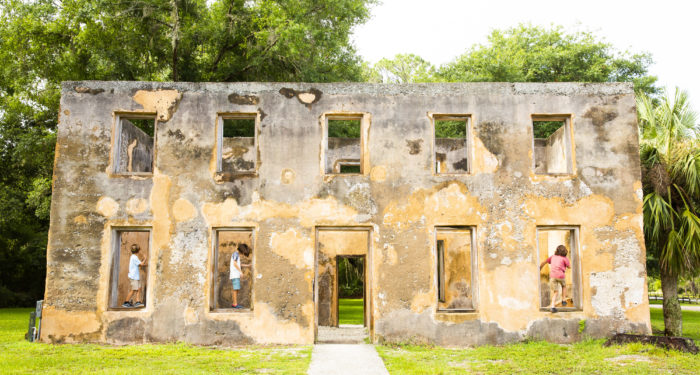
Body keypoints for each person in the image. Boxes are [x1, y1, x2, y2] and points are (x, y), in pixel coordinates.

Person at [539, 244, 570, 313]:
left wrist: (540, 267)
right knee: (564, 286)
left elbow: (544, 262)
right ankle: (564, 299)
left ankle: (552, 306)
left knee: (555, 292)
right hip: (561, 275)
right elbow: (569, 266)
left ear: (557, 250)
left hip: (552, 276)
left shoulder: (552, 257)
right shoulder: (564, 258)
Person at [230, 243, 252, 309]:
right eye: (243, 253)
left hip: (236, 274)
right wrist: (240, 272)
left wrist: (247, 265)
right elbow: (234, 264)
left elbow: (239, 264)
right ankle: (234, 304)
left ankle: (235, 303)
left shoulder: (237, 255)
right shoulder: (235, 254)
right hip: (235, 274)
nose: (243, 255)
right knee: (235, 289)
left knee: (236, 289)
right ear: (242, 251)